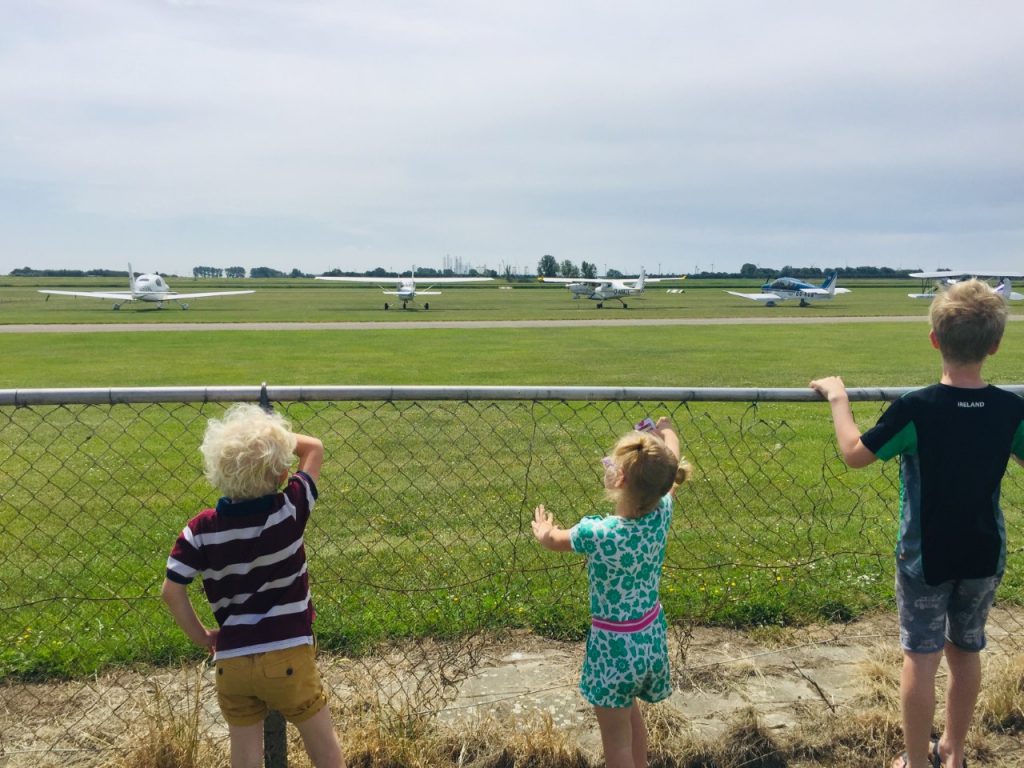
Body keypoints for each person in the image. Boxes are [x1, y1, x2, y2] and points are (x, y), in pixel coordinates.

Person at [810, 279, 1024, 768]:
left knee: (920, 657)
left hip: (923, 558)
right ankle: (953, 750)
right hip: (983, 555)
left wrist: (838, 398)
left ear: (934, 339)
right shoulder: (1013, 409)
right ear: (995, 345)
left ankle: (915, 759)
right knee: (966, 651)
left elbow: (854, 455)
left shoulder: (916, 409)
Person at [161, 403, 345, 768]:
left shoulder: (199, 530)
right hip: (289, 656)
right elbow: (315, 448)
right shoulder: (288, 509)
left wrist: (204, 637)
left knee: (244, 756)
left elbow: (172, 591)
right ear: (279, 472)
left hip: (232, 661)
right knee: (324, 750)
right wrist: (272, 440)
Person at [532, 417, 691, 768]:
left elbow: (555, 541)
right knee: (632, 721)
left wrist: (543, 530)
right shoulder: (662, 511)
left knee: (616, 744)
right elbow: (671, 465)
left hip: (612, 650)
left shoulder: (598, 533)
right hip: (649, 639)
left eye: (610, 464)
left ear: (618, 479)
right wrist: (666, 433)